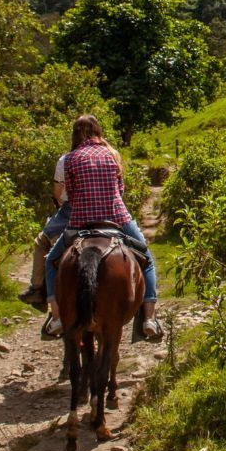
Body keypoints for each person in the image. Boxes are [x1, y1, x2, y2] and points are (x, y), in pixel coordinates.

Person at [32, 114, 159, 340]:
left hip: (81, 219)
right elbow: (120, 190)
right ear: (98, 130)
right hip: (116, 216)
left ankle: (57, 316)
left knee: (52, 260)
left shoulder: (70, 158)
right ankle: (149, 318)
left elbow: (66, 195)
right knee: (146, 257)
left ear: (75, 134)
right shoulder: (113, 154)